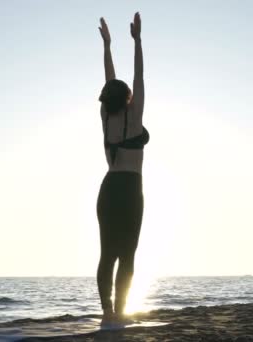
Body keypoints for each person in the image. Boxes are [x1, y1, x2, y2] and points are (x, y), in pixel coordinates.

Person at [96, 12, 148, 323]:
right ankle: (119, 311)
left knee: (107, 255)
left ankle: (106, 312)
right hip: (130, 189)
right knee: (127, 255)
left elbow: (110, 81)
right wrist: (137, 41)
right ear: (128, 97)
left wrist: (107, 47)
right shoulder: (135, 116)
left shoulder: (106, 118)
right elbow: (139, 75)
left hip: (108, 188)